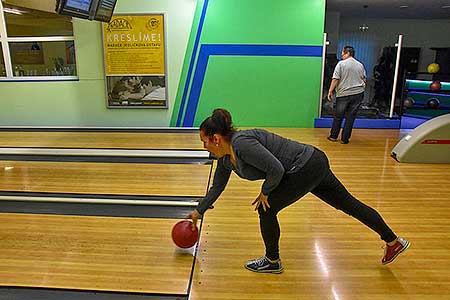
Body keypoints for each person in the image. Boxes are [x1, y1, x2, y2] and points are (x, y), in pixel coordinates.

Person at [187, 108, 410, 274]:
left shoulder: (242, 143)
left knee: (266, 209)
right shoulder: (226, 159)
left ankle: (272, 262)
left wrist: (266, 192)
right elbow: (217, 185)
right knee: (348, 204)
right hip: (312, 162)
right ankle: (393, 242)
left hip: (304, 166)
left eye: (204, 141)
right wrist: (199, 211)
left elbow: (276, 168)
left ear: (215, 138)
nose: (204, 146)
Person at [327, 46, 366, 144]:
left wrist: (330, 91)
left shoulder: (341, 64)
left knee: (338, 115)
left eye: (342, 53)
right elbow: (364, 79)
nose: (341, 55)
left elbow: (335, 78)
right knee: (350, 117)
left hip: (344, 94)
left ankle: (333, 136)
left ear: (348, 53)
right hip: (358, 93)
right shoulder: (360, 65)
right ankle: (345, 139)